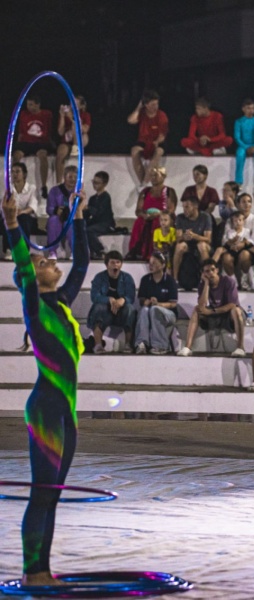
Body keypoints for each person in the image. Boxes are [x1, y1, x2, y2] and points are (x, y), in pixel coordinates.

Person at [2, 187, 88, 586]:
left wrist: (79, 215)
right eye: (44, 261)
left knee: (52, 493)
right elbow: (23, 267)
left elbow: (83, 261)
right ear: (34, 276)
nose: (52, 259)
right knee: (41, 492)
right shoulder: (34, 308)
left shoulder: (63, 303)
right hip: (46, 410)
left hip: (65, 411)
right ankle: (32, 572)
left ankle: (43, 570)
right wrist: (11, 223)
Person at [177, 259, 246, 357]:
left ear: (217, 270)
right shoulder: (202, 285)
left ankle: (240, 348)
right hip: (214, 316)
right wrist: (206, 284)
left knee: (236, 310)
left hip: (228, 315)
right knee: (197, 309)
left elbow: (232, 304)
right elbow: (202, 305)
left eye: (213, 270)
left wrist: (212, 311)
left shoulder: (228, 281)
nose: (210, 273)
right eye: (207, 271)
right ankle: (187, 347)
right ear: (203, 274)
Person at [88, 250, 136, 354]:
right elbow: (94, 297)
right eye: (112, 262)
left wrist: (123, 300)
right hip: (105, 313)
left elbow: (131, 297)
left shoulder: (127, 278)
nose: (115, 265)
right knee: (98, 307)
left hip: (121, 313)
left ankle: (128, 344)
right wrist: (109, 299)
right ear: (107, 265)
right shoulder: (99, 277)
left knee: (130, 309)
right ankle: (98, 345)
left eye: (118, 262)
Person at [127, 167, 178, 261]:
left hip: (163, 217)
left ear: (163, 176)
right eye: (151, 175)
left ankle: (153, 252)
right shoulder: (145, 191)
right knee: (139, 222)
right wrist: (144, 215)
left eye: (156, 175)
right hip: (147, 216)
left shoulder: (169, 191)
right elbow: (138, 210)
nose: (153, 178)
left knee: (158, 222)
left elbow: (171, 210)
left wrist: (159, 214)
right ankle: (136, 251)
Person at [135, 251, 178, 355]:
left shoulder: (170, 281)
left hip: (169, 313)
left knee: (155, 309)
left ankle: (161, 345)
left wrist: (158, 304)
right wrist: (146, 302)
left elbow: (173, 304)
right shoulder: (145, 280)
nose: (151, 265)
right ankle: (141, 343)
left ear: (163, 265)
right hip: (150, 309)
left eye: (154, 263)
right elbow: (141, 300)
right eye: (150, 263)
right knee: (144, 310)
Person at [12, 94, 53, 198]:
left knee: (42, 156)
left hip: (40, 142)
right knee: (16, 156)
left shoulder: (46, 114)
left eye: (31, 104)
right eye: (27, 104)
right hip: (26, 142)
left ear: (37, 105)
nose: (28, 107)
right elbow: (21, 132)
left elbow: (49, 130)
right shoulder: (23, 114)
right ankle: (16, 183)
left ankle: (43, 186)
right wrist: (18, 144)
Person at [127, 90, 168, 185]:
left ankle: (145, 182)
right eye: (153, 104)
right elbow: (130, 120)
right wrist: (139, 107)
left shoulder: (161, 115)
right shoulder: (142, 113)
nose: (155, 107)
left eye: (157, 104)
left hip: (157, 141)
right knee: (134, 151)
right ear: (146, 105)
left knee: (158, 152)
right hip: (144, 141)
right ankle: (142, 183)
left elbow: (163, 135)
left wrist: (156, 142)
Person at [0, 163, 40, 260]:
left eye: (17, 171)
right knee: (6, 219)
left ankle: (24, 250)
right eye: (13, 172)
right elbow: (2, 205)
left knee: (23, 219)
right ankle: (9, 250)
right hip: (12, 215)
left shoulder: (31, 188)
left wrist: (21, 212)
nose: (15, 174)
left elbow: (32, 206)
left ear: (24, 174)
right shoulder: (8, 188)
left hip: (27, 217)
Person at [172, 196, 213, 287]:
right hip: (187, 244)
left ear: (195, 206)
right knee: (179, 246)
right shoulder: (180, 217)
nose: (184, 210)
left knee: (201, 245)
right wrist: (184, 236)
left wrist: (194, 236)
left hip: (202, 243)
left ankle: (207, 278)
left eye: (187, 207)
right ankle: (175, 279)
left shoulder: (205, 217)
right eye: (183, 207)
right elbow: (178, 238)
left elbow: (208, 239)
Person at [55, 95, 90, 185]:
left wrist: (72, 118)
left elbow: (85, 129)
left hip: (80, 139)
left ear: (81, 106)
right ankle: (59, 183)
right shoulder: (66, 114)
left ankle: (75, 148)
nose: (72, 106)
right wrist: (62, 116)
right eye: (71, 103)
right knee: (60, 153)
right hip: (68, 140)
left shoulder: (85, 115)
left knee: (75, 124)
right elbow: (60, 132)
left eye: (76, 104)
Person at [45, 166, 78, 258]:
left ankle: (74, 251)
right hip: (58, 218)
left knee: (71, 223)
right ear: (64, 177)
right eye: (70, 177)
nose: (73, 179)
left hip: (72, 218)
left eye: (75, 177)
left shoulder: (78, 192)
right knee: (53, 220)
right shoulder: (55, 190)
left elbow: (83, 207)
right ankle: (53, 251)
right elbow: (49, 208)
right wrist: (56, 210)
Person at [83, 171, 116, 260]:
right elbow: (88, 214)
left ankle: (100, 250)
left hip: (106, 224)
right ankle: (88, 251)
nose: (94, 185)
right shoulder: (92, 198)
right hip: (97, 223)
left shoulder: (106, 197)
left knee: (89, 230)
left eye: (97, 183)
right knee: (81, 227)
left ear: (104, 184)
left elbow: (99, 214)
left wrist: (88, 208)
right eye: (93, 182)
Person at [233, 98, 254, 186]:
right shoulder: (239, 121)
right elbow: (237, 137)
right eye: (248, 108)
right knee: (240, 155)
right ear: (243, 109)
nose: (251, 110)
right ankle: (238, 181)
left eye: (252, 108)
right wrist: (246, 147)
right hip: (243, 146)